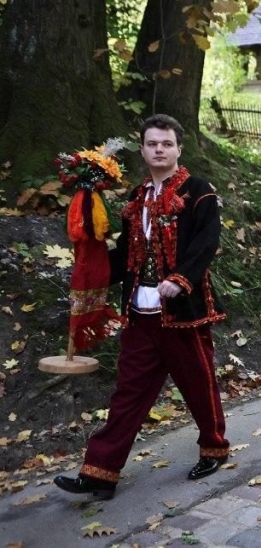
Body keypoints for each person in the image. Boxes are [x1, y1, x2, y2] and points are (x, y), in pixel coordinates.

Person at [54, 114, 230, 500]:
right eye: (152, 144)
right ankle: (100, 471)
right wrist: (92, 270)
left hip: (183, 314)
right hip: (140, 313)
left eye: (166, 143)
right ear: (144, 149)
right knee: (128, 393)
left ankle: (214, 447)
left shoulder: (199, 192)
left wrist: (180, 279)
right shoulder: (136, 198)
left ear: (178, 148)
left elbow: (206, 243)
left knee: (198, 385)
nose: (159, 150)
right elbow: (127, 255)